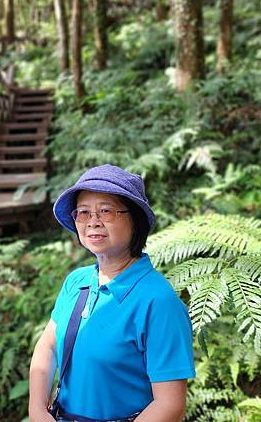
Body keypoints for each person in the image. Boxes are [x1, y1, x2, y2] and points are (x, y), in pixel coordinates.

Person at [28, 164, 195, 422]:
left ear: (135, 220)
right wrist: (38, 411)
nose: (93, 221)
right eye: (83, 212)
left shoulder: (158, 302)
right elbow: (47, 346)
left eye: (105, 210)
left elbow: (170, 405)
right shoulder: (77, 281)